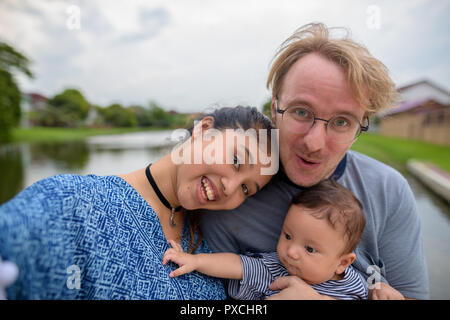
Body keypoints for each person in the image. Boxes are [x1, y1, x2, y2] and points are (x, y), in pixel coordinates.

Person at [200, 23, 429, 300]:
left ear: (358, 130)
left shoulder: (389, 191)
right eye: (301, 112)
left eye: (342, 122)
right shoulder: (226, 192)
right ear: (275, 109)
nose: (314, 143)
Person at [0, 106, 274, 299]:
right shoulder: (73, 202)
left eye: (246, 189)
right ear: (204, 130)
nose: (230, 188)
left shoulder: (209, 244)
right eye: (237, 160)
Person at [163, 179, 369, 300]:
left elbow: (371, 283)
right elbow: (237, 264)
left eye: (310, 249)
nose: (291, 252)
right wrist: (196, 261)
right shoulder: (274, 270)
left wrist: (381, 289)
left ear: (342, 263)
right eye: (288, 236)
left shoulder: (356, 282)